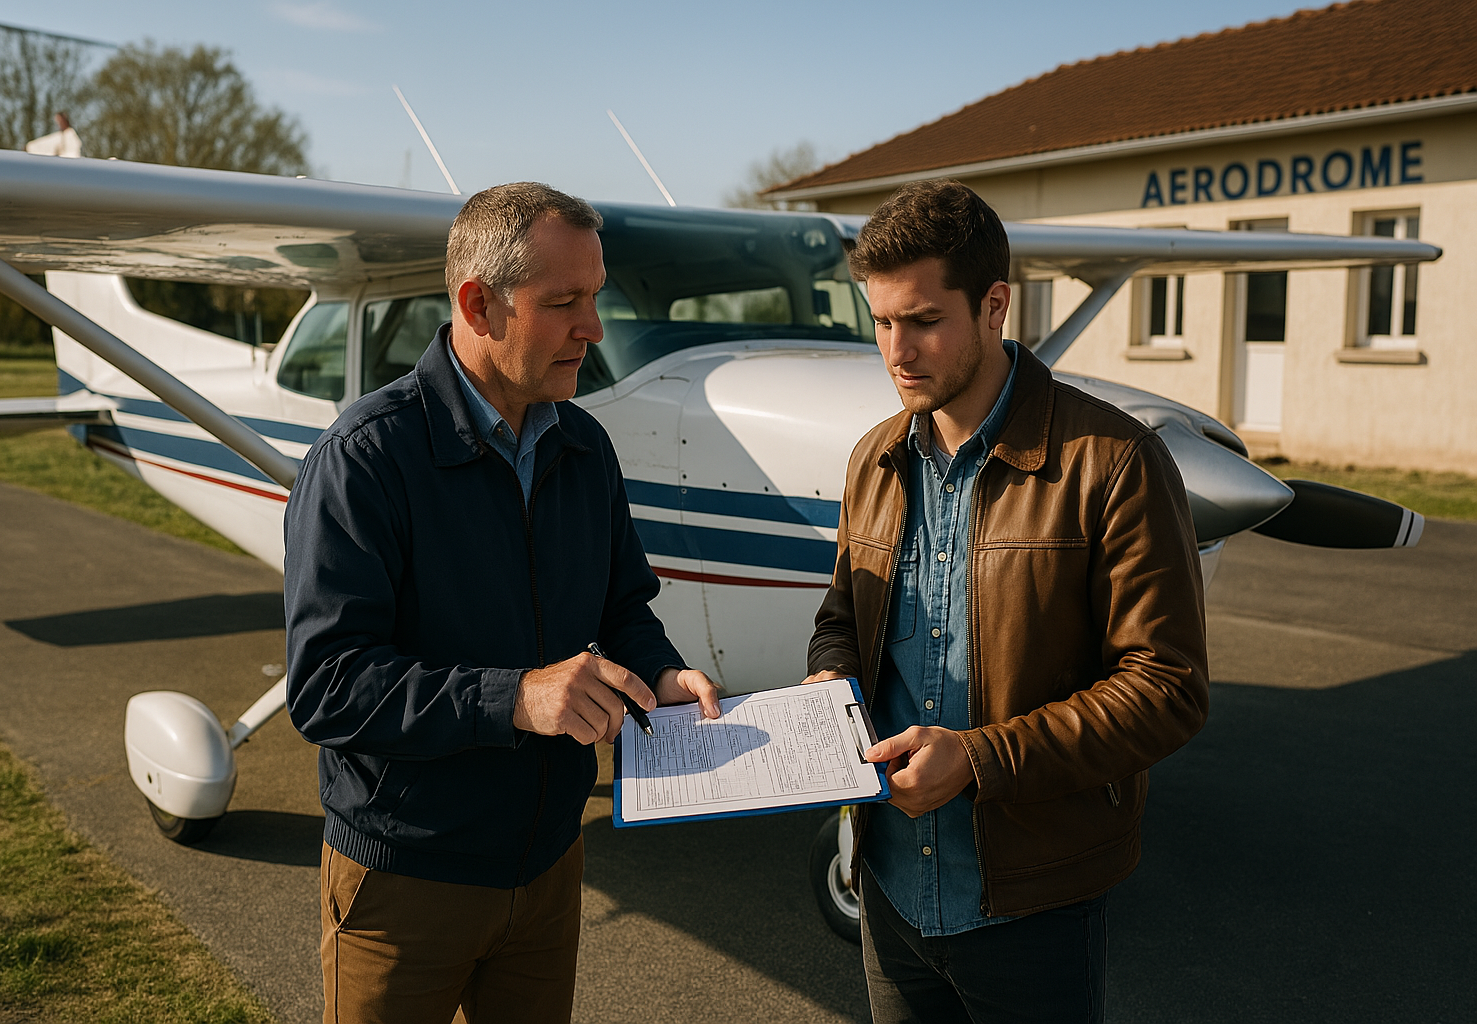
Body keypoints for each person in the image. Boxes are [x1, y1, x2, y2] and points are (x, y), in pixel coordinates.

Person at [284, 182, 721, 1024]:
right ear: (478, 305)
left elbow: (623, 604)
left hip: (551, 867)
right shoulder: (362, 459)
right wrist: (517, 698)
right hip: (406, 880)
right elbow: (327, 685)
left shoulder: (585, 446)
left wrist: (662, 673)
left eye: (595, 298)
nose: (593, 330)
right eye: (564, 303)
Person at [805, 180, 1208, 1024]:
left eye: (921, 320)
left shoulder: (1116, 463)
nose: (896, 350)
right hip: (886, 888)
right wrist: (826, 689)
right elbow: (844, 617)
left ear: (995, 305)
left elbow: (1166, 689)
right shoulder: (871, 459)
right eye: (880, 322)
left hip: (1032, 908)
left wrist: (979, 760)